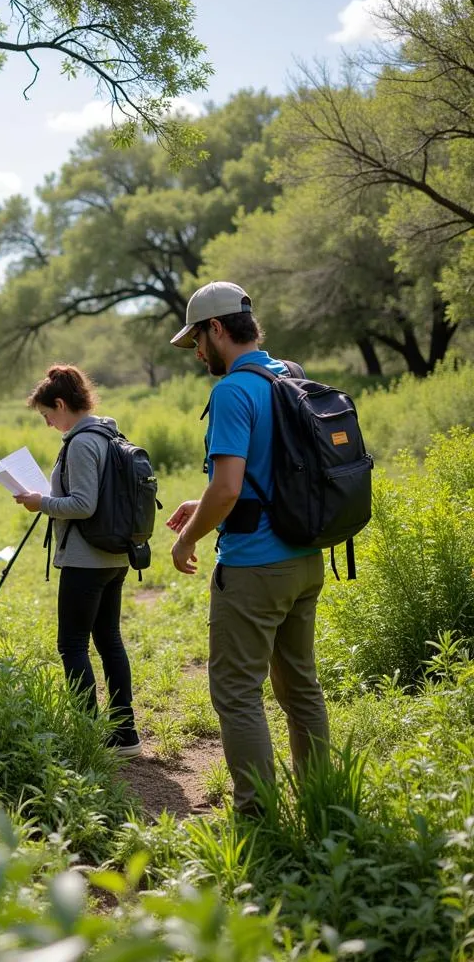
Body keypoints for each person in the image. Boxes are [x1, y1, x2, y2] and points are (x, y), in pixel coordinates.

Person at [166, 281, 328, 815]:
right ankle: (320, 800)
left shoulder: (234, 391)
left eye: (196, 341)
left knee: (237, 694)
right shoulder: (289, 375)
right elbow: (267, 475)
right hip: (305, 558)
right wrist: (204, 500)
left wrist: (189, 537)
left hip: (255, 567)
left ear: (216, 329)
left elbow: (231, 487)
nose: (196, 354)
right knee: (300, 687)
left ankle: (256, 817)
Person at [14, 364, 142, 758]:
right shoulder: (108, 432)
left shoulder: (84, 441)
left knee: (72, 645)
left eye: (47, 415)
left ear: (60, 403)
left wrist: (41, 503)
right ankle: (125, 734)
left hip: (87, 559)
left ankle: (90, 734)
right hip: (114, 555)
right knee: (108, 641)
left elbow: (84, 505)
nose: (49, 423)